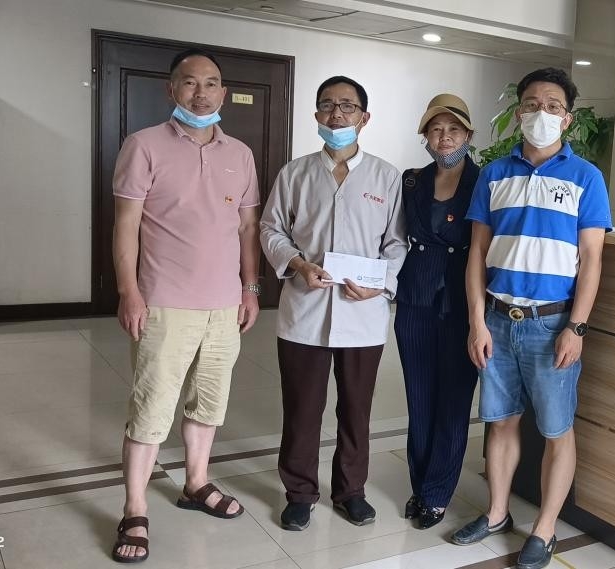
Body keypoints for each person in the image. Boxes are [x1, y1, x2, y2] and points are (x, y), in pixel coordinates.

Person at [449, 68, 612, 569]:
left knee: (557, 430)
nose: (542, 113)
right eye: (532, 104)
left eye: (553, 105)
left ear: (568, 118)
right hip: (498, 320)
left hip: (552, 325)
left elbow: (592, 260)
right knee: (500, 423)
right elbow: (477, 255)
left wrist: (577, 326)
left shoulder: (585, 177)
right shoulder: (495, 174)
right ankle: (497, 513)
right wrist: (477, 321)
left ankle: (544, 529)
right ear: (518, 112)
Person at [110, 48, 261, 564]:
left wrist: (249, 288)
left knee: (209, 402)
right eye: (190, 82)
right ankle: (134, 509)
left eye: (212, 83)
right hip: (164, 303)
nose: (202, 93)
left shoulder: (240, 153)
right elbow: (126, 225)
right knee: (151, 407)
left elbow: (247, 226)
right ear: (171, 89)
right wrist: (129, 291)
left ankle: (196, 482)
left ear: (223, 92)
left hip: (224, 306)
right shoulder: (143, 145)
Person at [260, 75, 408, 531]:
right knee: (302, 409)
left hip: (363, 315)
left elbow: (397, 242)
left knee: (356, 410)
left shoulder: (386, 176)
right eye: (328, 105)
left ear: (365, 117)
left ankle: (350, 491)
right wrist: (298, 264)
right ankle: (300, 493)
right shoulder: (295, 173)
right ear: (316, 116)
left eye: (347, 106)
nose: (337, 114)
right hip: (305, 311)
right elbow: (270, 229)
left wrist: (381, 284)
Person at [395, 94, 482, 530]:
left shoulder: (485, 181)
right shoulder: (412, 181)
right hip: (415, 296)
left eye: (454, 130)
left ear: (468, 135)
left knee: (453, 400)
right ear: (425, 137)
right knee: (419, 396)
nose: (445, 137)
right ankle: (420, 483)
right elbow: (395, 236)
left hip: (464, 301)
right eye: (436, 129)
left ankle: (438, 492)